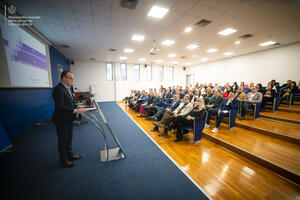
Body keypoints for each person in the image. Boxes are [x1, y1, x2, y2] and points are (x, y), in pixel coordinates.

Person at [52, 71, 86, 167]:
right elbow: (60, 106)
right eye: (70, 78)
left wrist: (77, 106)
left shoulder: (67, 89)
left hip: (69, 118)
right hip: (61, 119)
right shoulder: (58, 89)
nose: (72, 80)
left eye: (73, 78)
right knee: (63, 140)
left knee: (69, 138)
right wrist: (75, 111)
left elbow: (70, 102)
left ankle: (69, 155)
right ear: (64, 78)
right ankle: (63, 160)